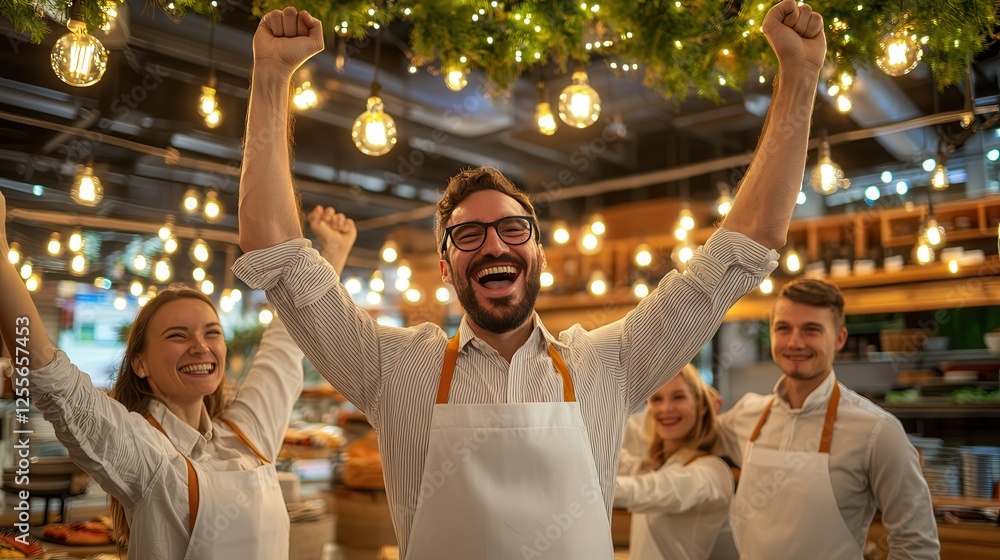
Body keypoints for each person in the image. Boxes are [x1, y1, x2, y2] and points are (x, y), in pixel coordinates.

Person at [234, 1, 826, 557]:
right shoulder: (394, 369)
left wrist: (800, 77)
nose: (494, 244)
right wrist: (270, 77)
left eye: (514, 230)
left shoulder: (610, 364)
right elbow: (275, 252)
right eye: (468, 235)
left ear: (538, 253)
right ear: (446, 266)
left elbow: (748, 244)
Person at [0, 190, 354, 559]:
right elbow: (48, 375)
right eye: (177, 336)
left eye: (211, 332)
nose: (200, 346)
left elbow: (288, 340)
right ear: (140, 364)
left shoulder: (250, 430)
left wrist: (333, 255)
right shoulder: (144, 451)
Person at [715, 278, 940, 559]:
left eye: (811, 330)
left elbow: (917, 543)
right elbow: (690, 434)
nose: (795, 342)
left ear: (839, 339)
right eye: (783, 328)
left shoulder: (878, 430)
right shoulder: (747, 414)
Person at [614, 365, 733, 560]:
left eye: (678, 397)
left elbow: (650, 489)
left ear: (702, 406)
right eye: (656, 398)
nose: (666, 408)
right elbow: (609, 460)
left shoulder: (711, 472)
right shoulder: (656, 466)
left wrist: (590, 490)